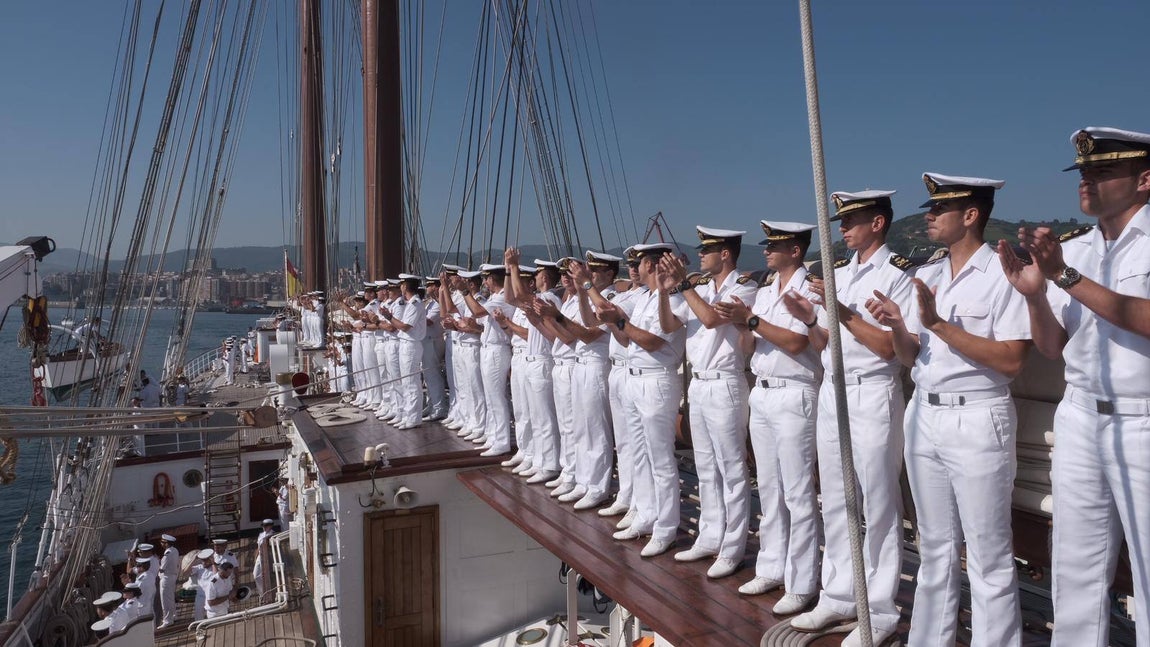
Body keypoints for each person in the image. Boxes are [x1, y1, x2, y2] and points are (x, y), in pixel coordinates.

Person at [1000, 127, 1150, 647]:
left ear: (1145, 179)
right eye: (1083, 173)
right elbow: (1052, 348)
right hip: (1081, 413)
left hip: (1143, 419)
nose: (1086, 181)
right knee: (1075, 560)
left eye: (1103, 171)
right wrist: (1035, 296)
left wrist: (1064, 278)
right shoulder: (1076, 250)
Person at [869, 173, 1030, 644]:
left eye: (940, 209)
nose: (930, 216)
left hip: (979, 417)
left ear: (971, 215)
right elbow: (907, 356)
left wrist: (937, 323)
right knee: (935, 545)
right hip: (926, 414)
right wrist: (900, 325)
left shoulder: (1003, 273)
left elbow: (1012, 360)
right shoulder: (931, 274)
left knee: (988, 552)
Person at [783, 189, 913, 645]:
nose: (842, 227)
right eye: (841, 219)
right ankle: (839, 594)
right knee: (836, 499)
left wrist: (838, 311)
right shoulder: (839, 275)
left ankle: (877, 608)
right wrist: (811, 319)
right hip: (833, 391)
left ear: (878, 223)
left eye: (852, 219)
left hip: (874, 393)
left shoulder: (897, 276)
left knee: (878, 503)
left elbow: (887, 348)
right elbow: (824, 344)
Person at [717, 221, 823, 613]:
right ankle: (772, 566)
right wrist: (742, 324)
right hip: (763, 392)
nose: (766, 250)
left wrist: (752, 322)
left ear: (795, 250)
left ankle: (802, 581)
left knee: (798, 492)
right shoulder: (763, 292)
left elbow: (797, 342)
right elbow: (748, 346)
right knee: (771, 488)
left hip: (796, 393)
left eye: (775, 245)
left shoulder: (808, 288)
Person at [658, 227, 757, 580]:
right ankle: (710, 535)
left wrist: (684, 286)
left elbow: (712, 320)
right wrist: (666, 289)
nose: (701, 253)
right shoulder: (698, 287)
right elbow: (670, 324)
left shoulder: (743, 286)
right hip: (699, 386)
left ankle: (733, 547)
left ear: (726, 254)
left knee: (732, 470)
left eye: (708, 249)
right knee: (705, 466)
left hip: (725, 385)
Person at [596, 242, 686, 559]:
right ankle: (645, 515)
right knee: (638, 454)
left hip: (657, 380)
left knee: (661, 460)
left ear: (651, 265)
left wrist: (622, 323)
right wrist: (612, 320)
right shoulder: (646, 298)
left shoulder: (672, 299)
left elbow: (654, 339)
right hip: (636, 379)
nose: (637, 267)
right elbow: (626, 338)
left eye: (641, 262)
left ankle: (665, 528)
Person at [380, 274, 427, 429]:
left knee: (411, 382)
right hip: (405, 344)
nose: (400, 287)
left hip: (411, 345)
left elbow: (405, 327)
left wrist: (389, 317)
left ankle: (414, 417)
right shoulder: (409, 304)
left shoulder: (415, 304)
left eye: (402, 284)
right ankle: (407, 414)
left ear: (405, 286)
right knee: (405, 382)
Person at [182, 547, 216, 621]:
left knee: (212, 617)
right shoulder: (199, 568)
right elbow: (185, 573)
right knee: (198, 617)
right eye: (202, 560)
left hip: (211, 596)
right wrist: (194, 559)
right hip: (200, 596)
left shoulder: (215, 568)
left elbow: (216, 576)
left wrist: (213, 563)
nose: (203, 562)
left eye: (205, 560)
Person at [157, 534, 180, 628]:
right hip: (173, 576)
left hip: (166, 578)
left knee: (165, 601)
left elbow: (162, 569)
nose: (161, 543)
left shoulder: (167, 553)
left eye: (162, 542)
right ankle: (174, 616)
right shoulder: (174, 550)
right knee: (170, 598)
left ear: (166, 543)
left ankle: (167, 620)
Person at [253, 518, 276, 597]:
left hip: (268, 557)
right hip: (260, 556)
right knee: (256, 575)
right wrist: (256, 557)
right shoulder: (261, 535)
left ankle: (267, 595)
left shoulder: (273, 535)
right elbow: (258, 547)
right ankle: (262, 594)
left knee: (267, 576)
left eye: (266, 526)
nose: (264, 527)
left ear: (271, 526)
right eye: (263, 526)